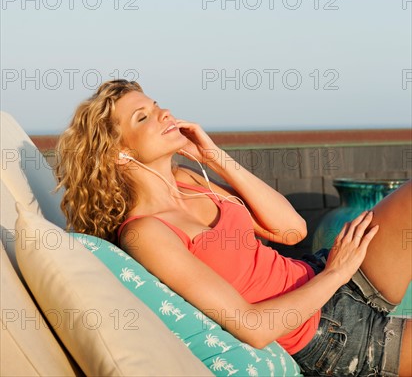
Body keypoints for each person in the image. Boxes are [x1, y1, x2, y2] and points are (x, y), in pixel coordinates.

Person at [55, 79, 412, 376]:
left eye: (157, 104)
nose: (164, 113)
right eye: (143, 116)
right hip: (328, 336)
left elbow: (292, 230)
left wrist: (214, 157)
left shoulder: (189, 179)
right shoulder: (145, 233)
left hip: (324, 273)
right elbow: (254, 328)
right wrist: (335, 274)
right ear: (119, 152)